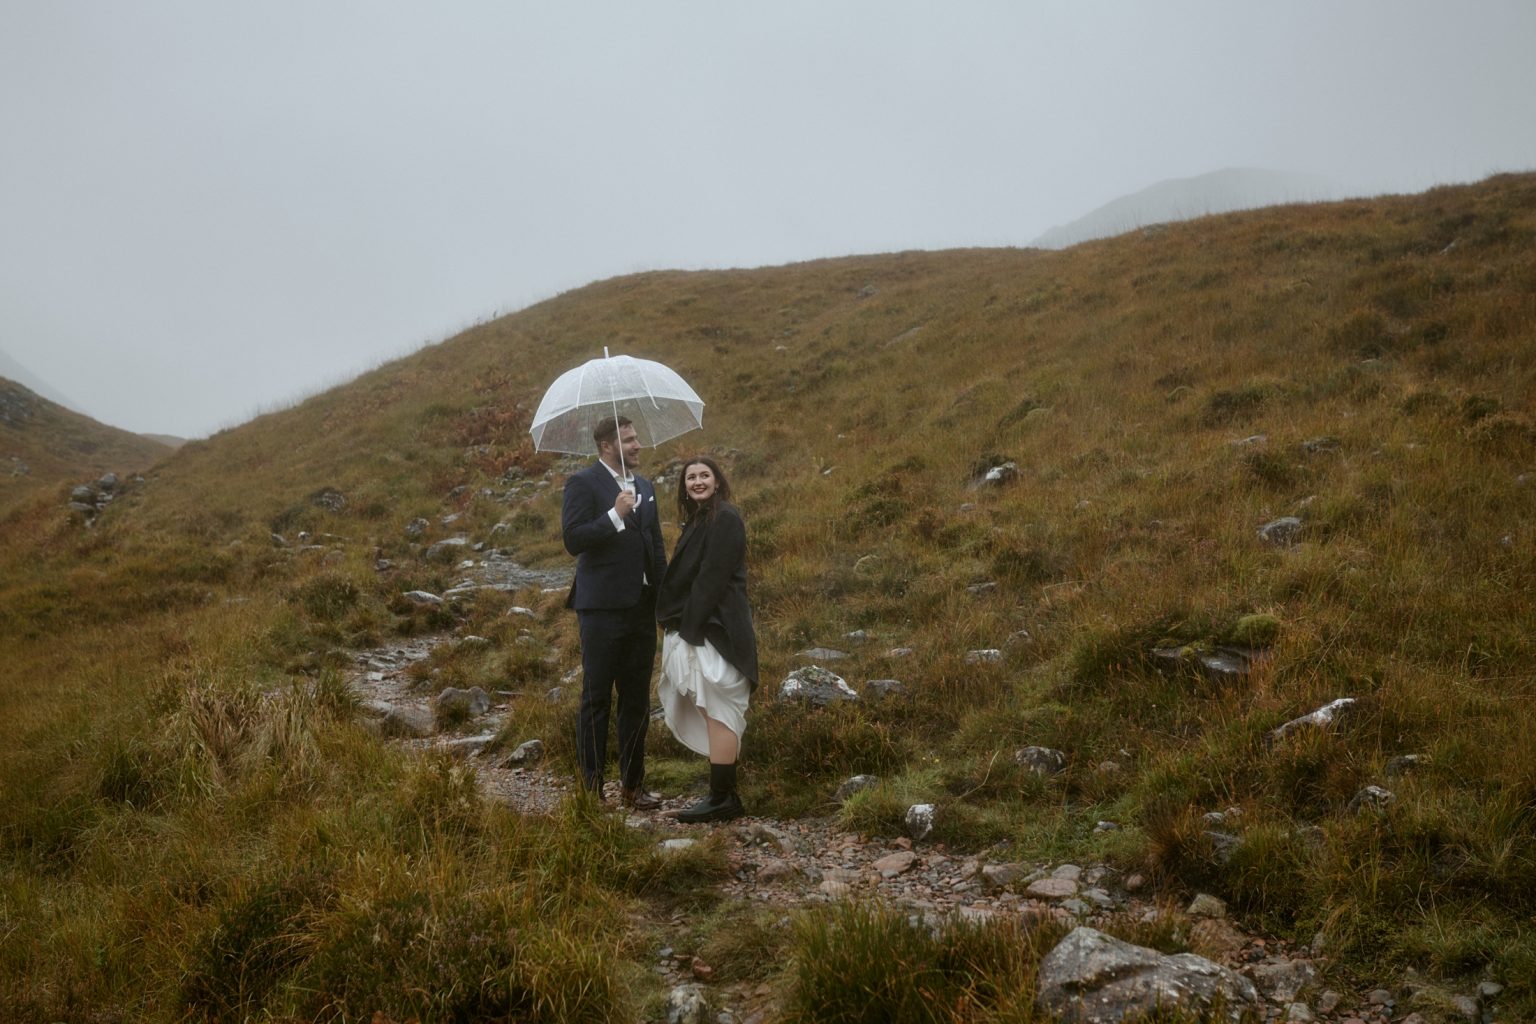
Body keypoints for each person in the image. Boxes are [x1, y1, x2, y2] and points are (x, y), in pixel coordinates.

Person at [561, 415, 667, 809]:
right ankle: (590, 790)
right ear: (607, 446)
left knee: (637, 699)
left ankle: (633, 786)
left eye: (637, 437)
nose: (638, 445)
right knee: (597, 699)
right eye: (629, 439)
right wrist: (613, 516)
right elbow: (573, 539)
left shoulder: (646, 486)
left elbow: (655, 547)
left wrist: (664, 600)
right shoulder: (583, 483)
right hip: (601, 609)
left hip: (641, 609)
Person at [655, 455, 758, 823]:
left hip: (717, 629)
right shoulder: (699, 520)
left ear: (717, 481)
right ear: (684, 486)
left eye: (704, 475)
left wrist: (690, 631)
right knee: (711, 709)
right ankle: (723, 794)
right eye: (691, 477)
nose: (697, 481)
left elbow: (712, 578)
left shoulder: (725, 518)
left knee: (720, 710)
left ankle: (723, 799)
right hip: (701, 626)